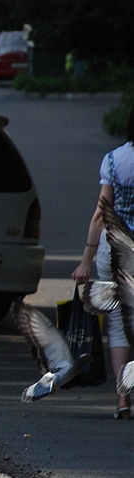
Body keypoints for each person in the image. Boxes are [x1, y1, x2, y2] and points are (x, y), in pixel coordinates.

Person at [72, 104, 134, 419]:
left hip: (114, 250)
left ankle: (123, 400)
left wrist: (85, 260)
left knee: (118, 324)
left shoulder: (114, 159)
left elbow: (101, 212)